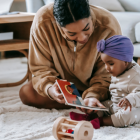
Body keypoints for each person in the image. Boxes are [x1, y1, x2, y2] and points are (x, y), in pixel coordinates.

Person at [19, 0, 121, 110]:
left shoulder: (108, 25)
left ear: (91, 16)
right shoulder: (42, 22)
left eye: (86, 28)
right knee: (26, 93)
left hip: (98, 86)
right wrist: (51, 89)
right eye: (71, 34)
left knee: (126, 91)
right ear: (58, 25)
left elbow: (108, 74)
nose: (82, 38)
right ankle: (83, 102)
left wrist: (93, 95)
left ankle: (89, 100)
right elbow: (41, 68)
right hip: (62, 87)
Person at [70, 35, 140, 129]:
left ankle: (101, 121)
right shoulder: (119, 69)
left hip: (133, 107)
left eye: (110, 64)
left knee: (127, 115)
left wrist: (130, 99)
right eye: (105, 63)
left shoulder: (136, 75)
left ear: (125, 61)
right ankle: (89, 117)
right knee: (101, 105)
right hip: (115, 103)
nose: (106, 68)